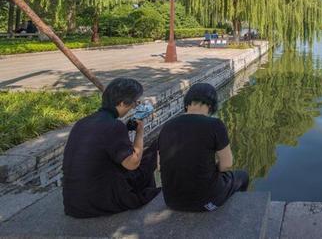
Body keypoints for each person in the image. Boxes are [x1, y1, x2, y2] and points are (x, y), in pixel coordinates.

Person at [62, 78, 160, 218]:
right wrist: (140, 131)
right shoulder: (114, 126)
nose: (134, 106)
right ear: (122, 103)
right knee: (155, 148)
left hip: (74, 203)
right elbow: (133, 163)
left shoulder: (83, 122)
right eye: (134, 102)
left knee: (141, 166)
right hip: (99, 201)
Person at [158, 83, 249, 212]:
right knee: (242, 176)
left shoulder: (167, 126)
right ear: (211, 105)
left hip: (171, 201)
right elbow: (227, 165)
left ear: (187, 103)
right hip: (204, 201)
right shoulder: (215, 125)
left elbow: (160, 166)